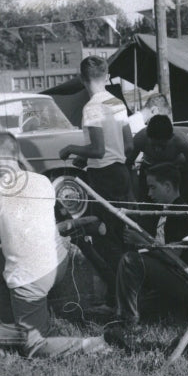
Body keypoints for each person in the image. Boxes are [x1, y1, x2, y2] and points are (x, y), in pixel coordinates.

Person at [0, 131, 106, 357]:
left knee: (34, 346)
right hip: (59, 263)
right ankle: (10, 325)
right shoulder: (43, 180)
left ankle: (91, 345)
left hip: (32, 277)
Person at [105, 164, 188, 350]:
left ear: (167, 186)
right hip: (187, 279)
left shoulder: (181, 214)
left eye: (153, 187)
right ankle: (124, 312)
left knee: (130, 261)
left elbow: (173, 257)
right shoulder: (176, 210)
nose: (149, 193)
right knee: (141, 299)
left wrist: (143, 242)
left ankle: (129, 325)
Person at [60, 56, 135, 289]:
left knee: (105, 238)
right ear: (107, 75)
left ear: (82, 79)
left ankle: (117, 294)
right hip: (121, 172)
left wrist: (72, 149)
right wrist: (87, 158)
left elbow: (99, 150)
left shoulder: (92, 108)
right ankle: (131, 290)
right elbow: (128, 145)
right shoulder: (116, 103)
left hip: (103, 177)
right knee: (124, 234)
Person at [127, 113, 188, 224]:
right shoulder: (140, 139)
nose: (158, 150)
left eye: (162, 145)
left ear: (171, 137)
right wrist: (131, 195)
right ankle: (144, 239)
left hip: (179, 170)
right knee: (145, 216)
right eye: (154, 145)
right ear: (148, 137)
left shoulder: (181, 140)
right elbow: (127, 164)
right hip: (151, 170)